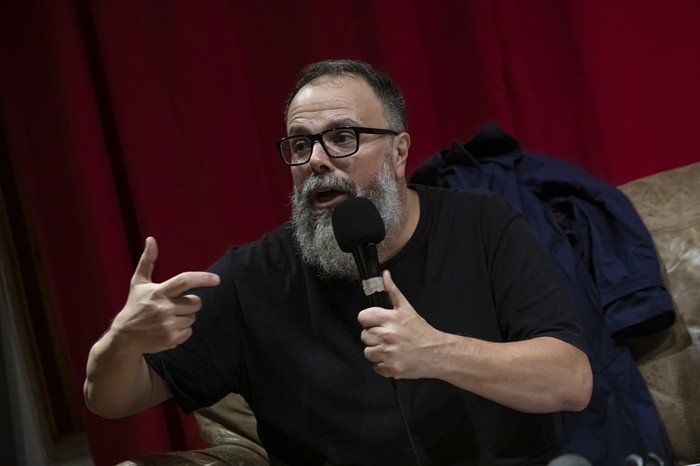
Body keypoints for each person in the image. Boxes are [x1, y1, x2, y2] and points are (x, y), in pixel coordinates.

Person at [84, 59, 593, 465]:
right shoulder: (251, 279)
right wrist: (121, 341)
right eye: (301, 145)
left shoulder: (482, 225)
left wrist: (436, 353)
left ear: (399, 152)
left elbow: (571, 382)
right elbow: (112, 399)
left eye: (343, 137)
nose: (317, 160)